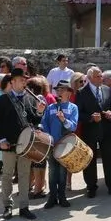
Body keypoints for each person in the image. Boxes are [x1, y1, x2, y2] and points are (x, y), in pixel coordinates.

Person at [0, 68, 46, 219]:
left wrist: (40, 112)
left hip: (26, 144)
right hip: (8, 143)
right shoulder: (3, 99)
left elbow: (34, 120)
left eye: (25, 80)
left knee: (24, 175)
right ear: (12, 81)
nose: (24, 83)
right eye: (21, 80)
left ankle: (24, 206)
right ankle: (7, 206)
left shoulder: (29, 98)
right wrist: (1, 140)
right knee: (7, 175)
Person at [76, 67, 111, 198]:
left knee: (109, 158)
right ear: (90, 78)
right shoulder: (81, 92)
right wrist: (90, 118)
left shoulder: (106, 89)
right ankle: (91, 186)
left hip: (106, 130)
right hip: (90, 131)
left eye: (101, 76)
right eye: (98, 76)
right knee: (90, 159)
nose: (102, 78)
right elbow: (78, 114)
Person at [41, 80, 78, 209]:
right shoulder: (50, 107)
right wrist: (48, 137)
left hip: (65, 145)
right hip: (52, 144)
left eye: (62, 89)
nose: (59, 92)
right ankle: (52, 197)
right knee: (52, 171)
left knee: (62, 172)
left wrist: (64, 119)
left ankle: (62, 196)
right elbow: (44, 123)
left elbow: (73, 126)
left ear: (68, 92)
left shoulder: (73, 107)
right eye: (58, 90)